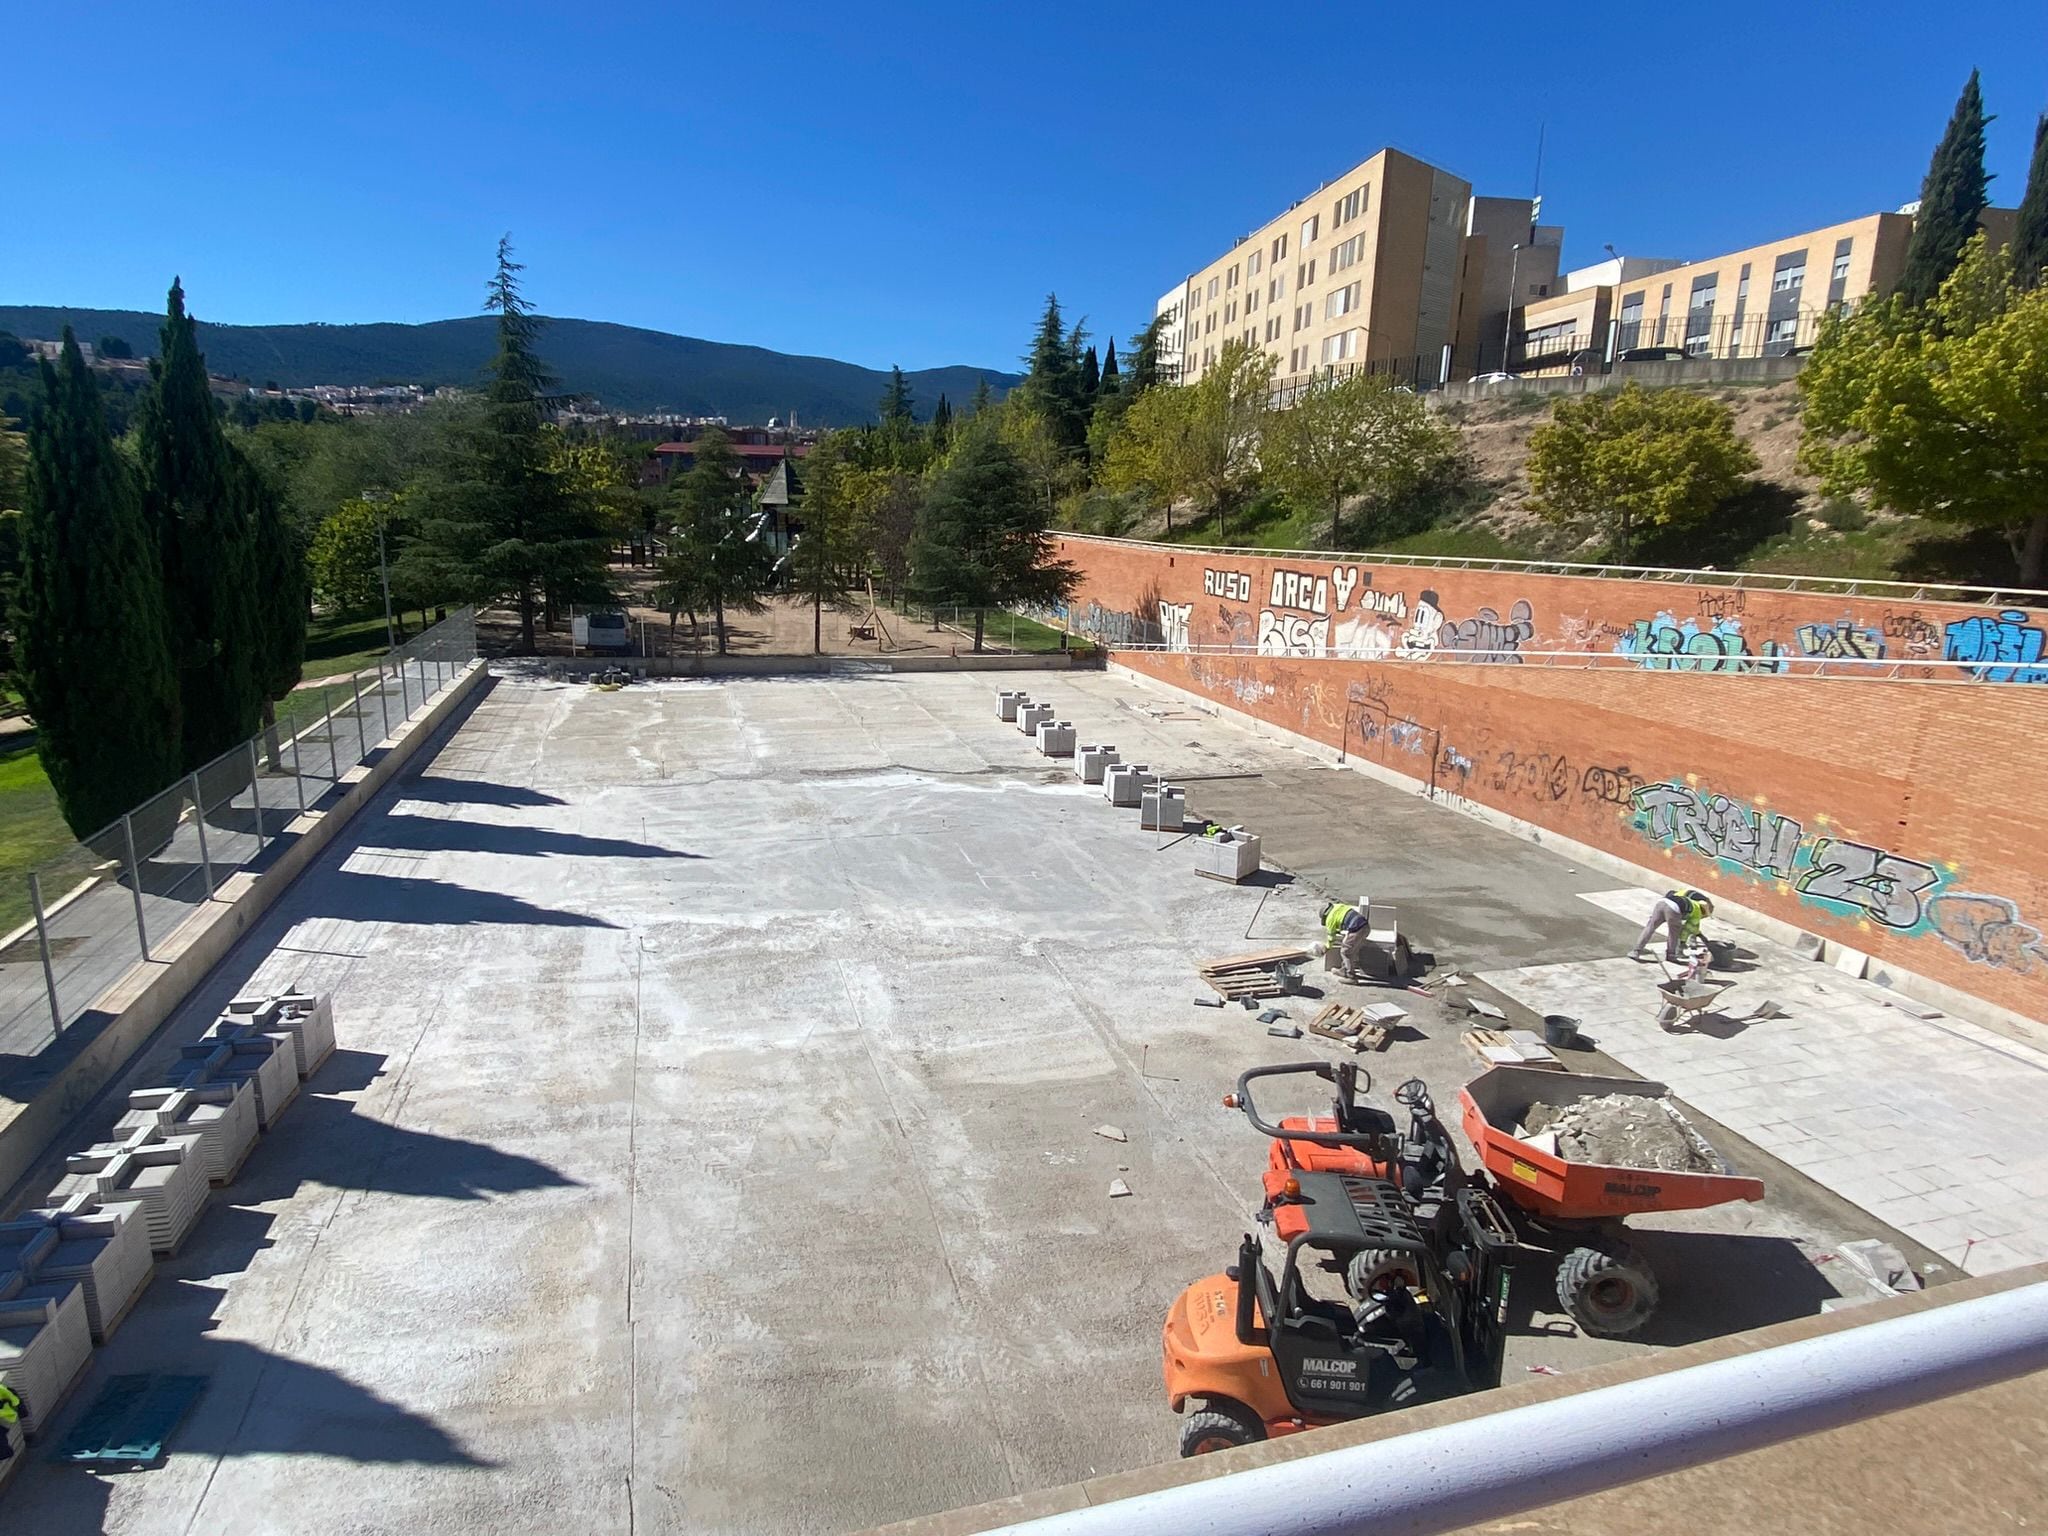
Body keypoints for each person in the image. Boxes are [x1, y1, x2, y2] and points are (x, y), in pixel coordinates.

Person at [1632, 889, 1713, 963]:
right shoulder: (1697, 912)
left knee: (1650, 927)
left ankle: (1636, 951)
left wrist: (1700, 934)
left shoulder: (1691, 902)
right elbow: (1687, 929)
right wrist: (1682, 942)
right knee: (1673, 933)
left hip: (1662, 902)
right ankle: (1671, 955)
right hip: (1674, 909)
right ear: (1704, 912)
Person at [1321, 899, 1372, 978]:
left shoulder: (1329, 919)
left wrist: (1327, 947)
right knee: (1352, 950)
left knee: (1346, 952)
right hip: (1366, 927)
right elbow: (1344, 919)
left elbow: (1331, 938)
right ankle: (1344, 970)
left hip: (1357, 930)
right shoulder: (1339, 906)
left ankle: (1350, 976)